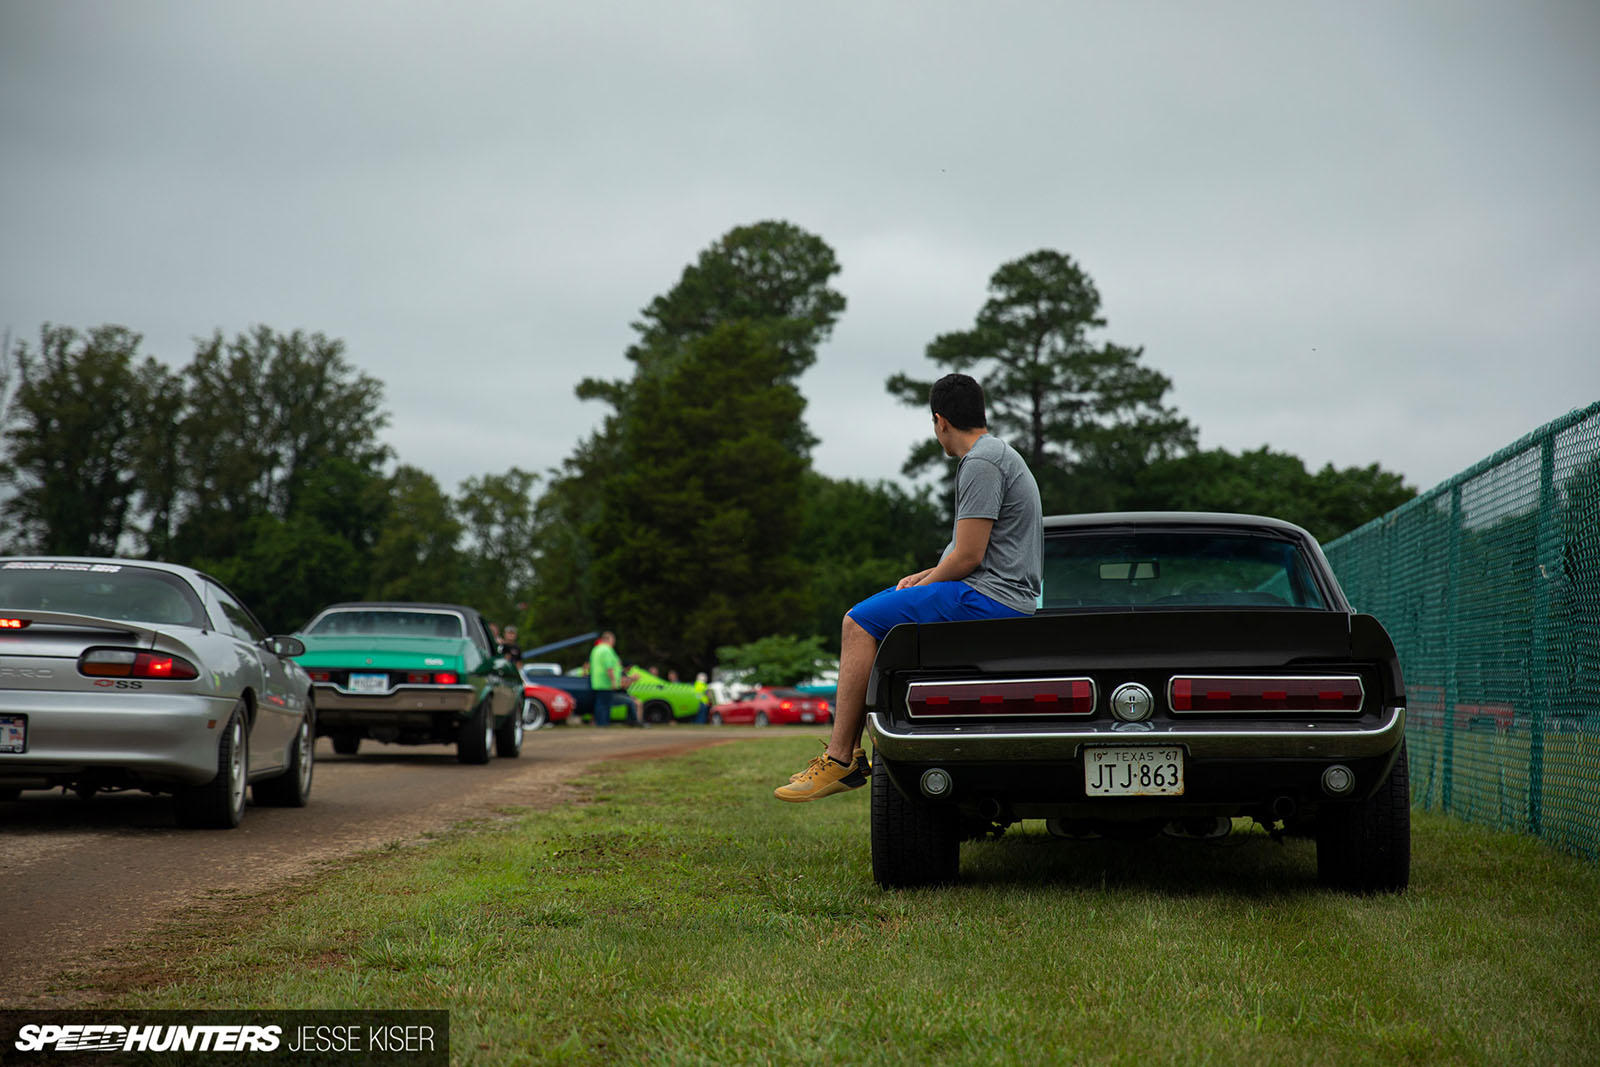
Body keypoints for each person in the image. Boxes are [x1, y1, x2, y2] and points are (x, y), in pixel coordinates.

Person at [775, 373, 1042, 801]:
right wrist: (922, 579)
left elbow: (970, 557)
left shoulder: (981, 462)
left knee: (858, 622)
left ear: (940, 422)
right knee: (885, 607)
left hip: (989, 600)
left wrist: (926, 583)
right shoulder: (998, 455)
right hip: (993, 594)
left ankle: (842, 758)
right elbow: (967, 553)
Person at [588, 631, 642, 727]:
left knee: (600, 704)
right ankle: (603, 725)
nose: (614, 642)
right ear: (609, 640)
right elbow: (609, 668)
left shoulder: (595, 650)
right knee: (605, 705)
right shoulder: (607, 650)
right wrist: (613, 681)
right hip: (606, 682)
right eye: (613, 640)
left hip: (597, 682)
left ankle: (600, 724)